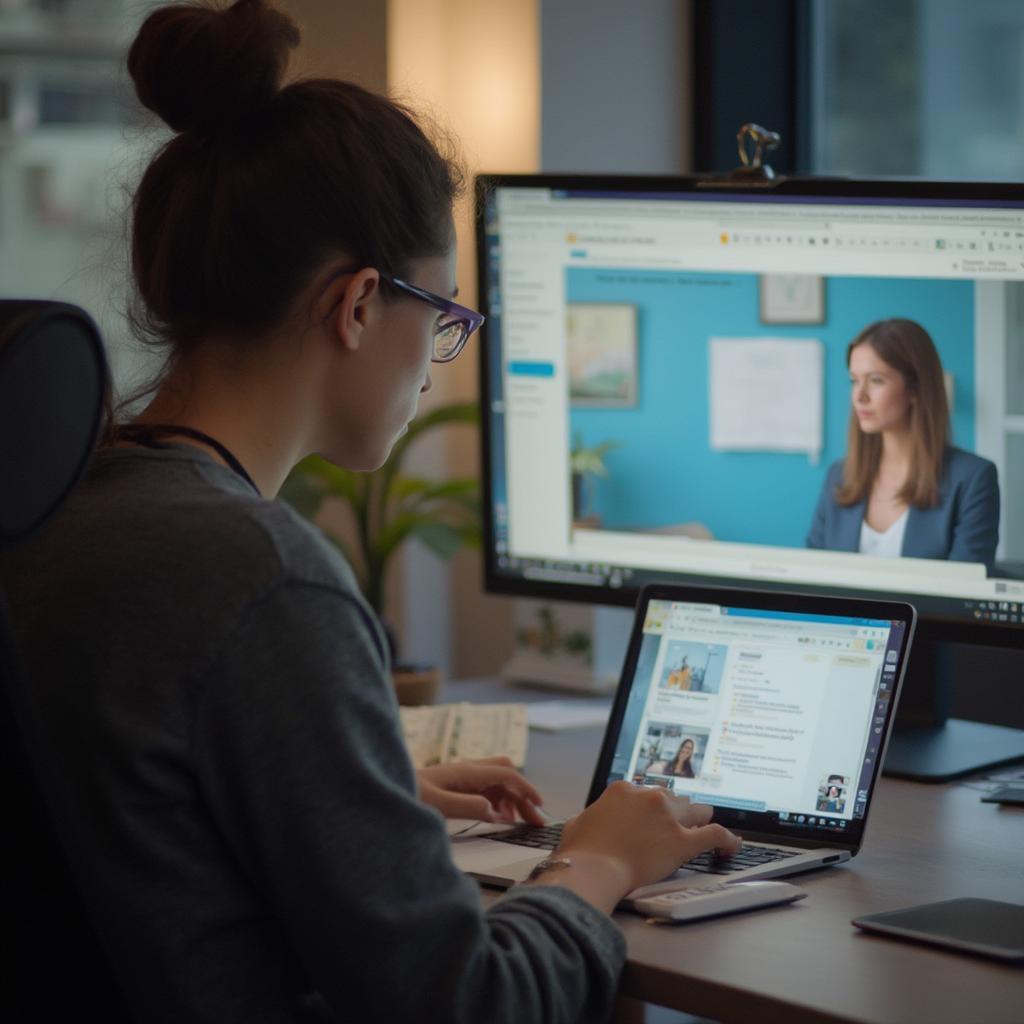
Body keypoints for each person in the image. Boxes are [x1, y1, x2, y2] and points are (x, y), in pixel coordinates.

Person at [0, 3, 740, 1023]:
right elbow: (468, 1003)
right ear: (355, 307)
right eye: (441, 320)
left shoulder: (64, 508)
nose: (438, 367)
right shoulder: (260, 575)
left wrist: (362, 795)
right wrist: (597, 860)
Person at [806, 318, 999, 569]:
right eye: (854, 380)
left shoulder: (973, 479)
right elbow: (813, 577)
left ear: (915, 388)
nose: (860, 396)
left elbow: (963, 598)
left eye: (876, 380)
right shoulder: (839, 476)